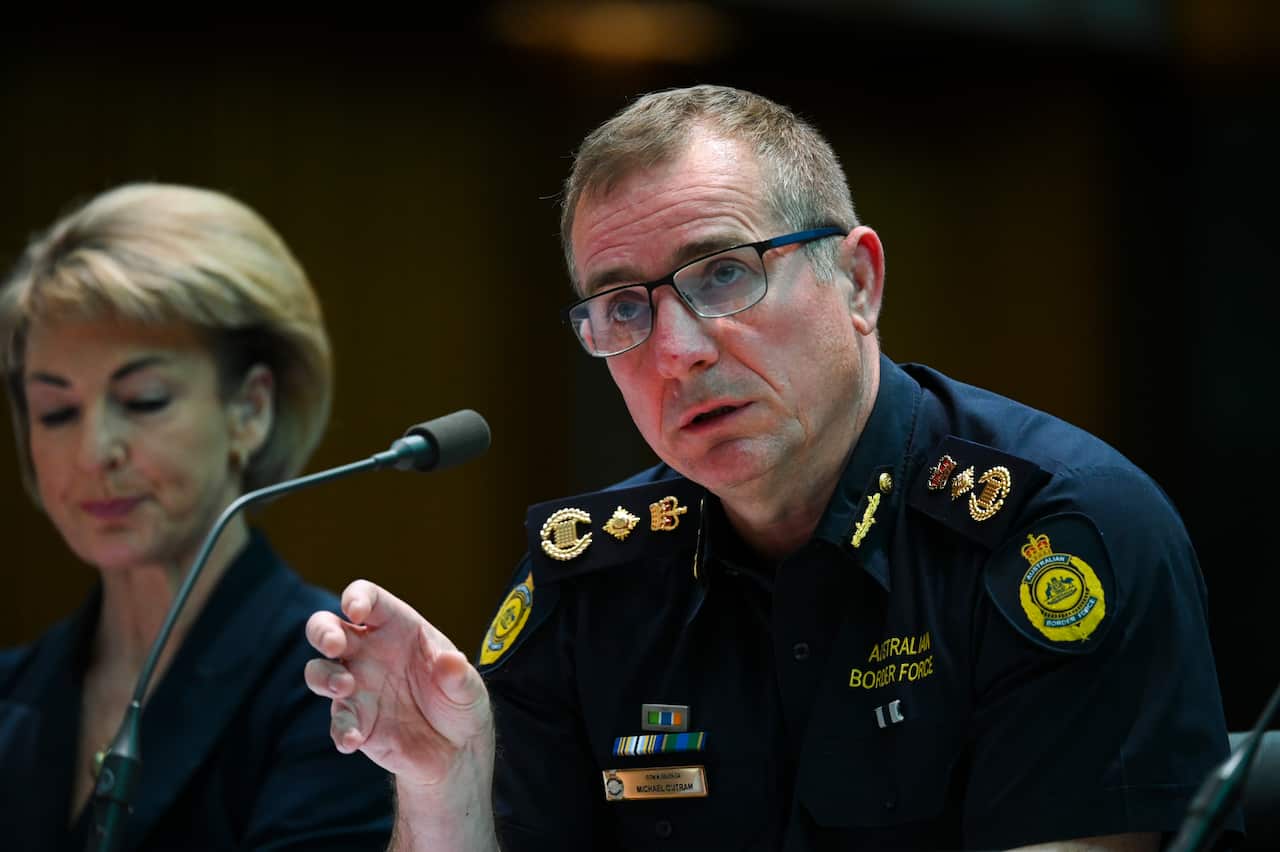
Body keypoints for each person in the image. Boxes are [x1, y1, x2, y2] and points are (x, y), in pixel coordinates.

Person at [304, 85, 1237, 850]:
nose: (676, 348)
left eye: (722, 273)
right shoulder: (589, 579)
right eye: (623, 306)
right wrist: (443, 789)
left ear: (859, 282)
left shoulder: (1054, 531)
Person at [0, 183, 394, 850]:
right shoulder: (12, 691)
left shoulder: (334, 688)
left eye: (144, 399)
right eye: (57, 412)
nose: (96, 453)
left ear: (250, 410)